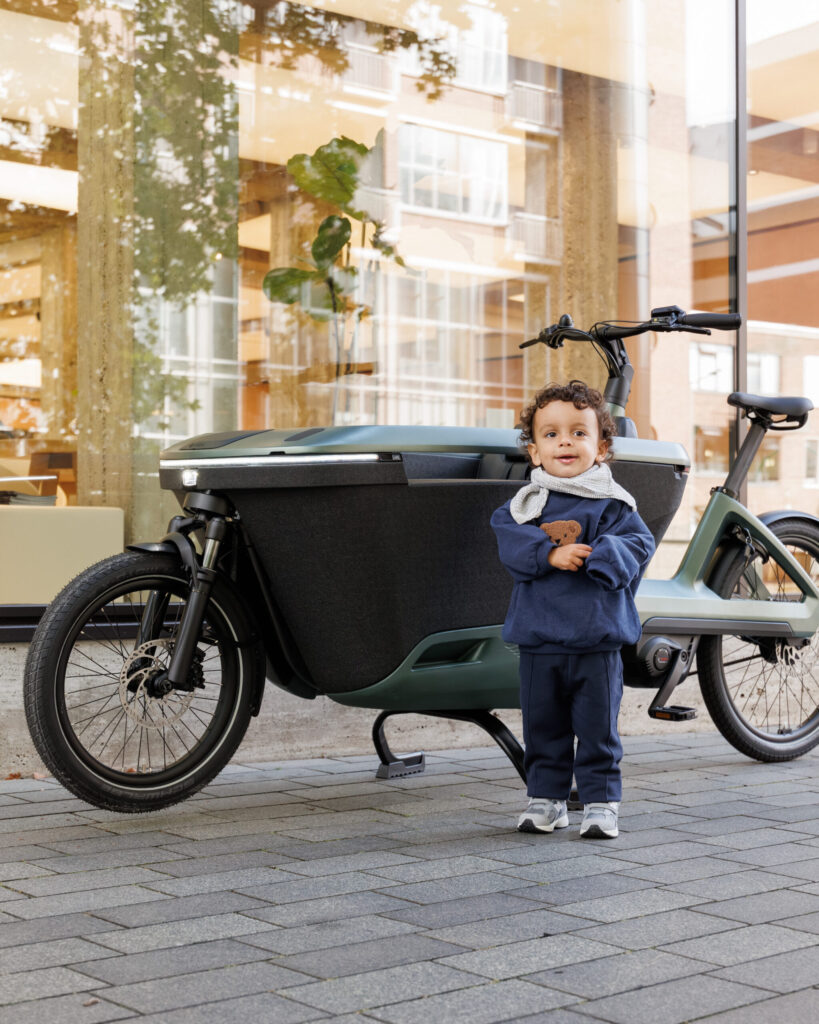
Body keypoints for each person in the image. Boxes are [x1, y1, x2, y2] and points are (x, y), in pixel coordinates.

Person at [490, 380, 654, 839]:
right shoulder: (524, 507)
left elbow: (638, 543)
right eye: (552, 433)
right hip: (539, 638)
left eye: (579, 433)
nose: (565, 441)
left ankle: (601, 803)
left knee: (597, 728)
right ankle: (547, 800)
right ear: (534, 451)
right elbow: (508, 538)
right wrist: (549, 554)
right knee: (543, 725)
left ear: (601, 448)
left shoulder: (614, 504)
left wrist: (601, 555)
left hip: (597, 640)